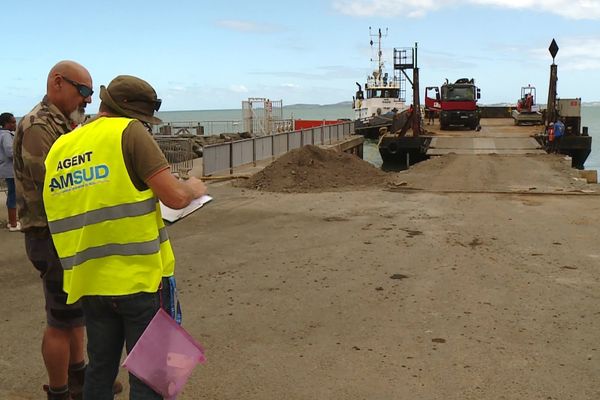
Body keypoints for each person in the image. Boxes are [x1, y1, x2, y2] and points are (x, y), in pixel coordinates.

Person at [42, 75, 207, 399]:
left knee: (99, 372)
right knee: (151, 378)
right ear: (133, 114)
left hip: (89, 281)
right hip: (138, 280)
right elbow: (174, 197)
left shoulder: (62, 145)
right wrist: (194, 188)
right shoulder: (128, 132)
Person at [13, 60, 95, 400]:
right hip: (49, 236)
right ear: (58, 82)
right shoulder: (38, 126)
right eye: (84, 91)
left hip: (64, 234)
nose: (87, 100)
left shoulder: (63, 124)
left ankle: (79, 377)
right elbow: (53, 185)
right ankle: (59, 392)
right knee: (60, 320)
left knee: (74, 314)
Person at [0, 112, 19, 231]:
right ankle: (13, 223)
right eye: (12, 122)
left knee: (12, 194)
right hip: (10, 170)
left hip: (6, 169)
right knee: (13, 195)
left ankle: (12, 221)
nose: (15, 124)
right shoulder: (6, 135)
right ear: (6, 124)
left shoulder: (3, 134)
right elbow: (10, 152)